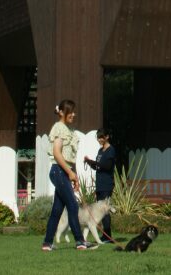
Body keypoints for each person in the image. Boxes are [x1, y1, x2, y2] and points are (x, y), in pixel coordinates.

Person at [42, 99, 97, 251]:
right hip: (59, 171)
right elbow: (57, 154)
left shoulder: (69, 130)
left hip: (64, 172)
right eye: (70, 111)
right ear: (61, 112)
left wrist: (75, 176)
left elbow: (70, 159)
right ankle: (80, 241)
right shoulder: (59, 128)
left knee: (57, 210)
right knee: (73, 206)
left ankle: (47, 243)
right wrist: (70, 172)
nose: (74, 114)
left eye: (74, 111)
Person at [84, 127, 117, 242]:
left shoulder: (111, 150)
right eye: (98, 138)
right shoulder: (100, 151)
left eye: (101, 137)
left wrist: (93, 162)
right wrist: (89, 162)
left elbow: (106, 167)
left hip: (107, 185)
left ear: (107, 137)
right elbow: (97, 166)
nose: (99, 140)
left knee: (105, 210)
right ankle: (105, 235)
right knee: (100, 211)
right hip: (99, 184)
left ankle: (108, 236)